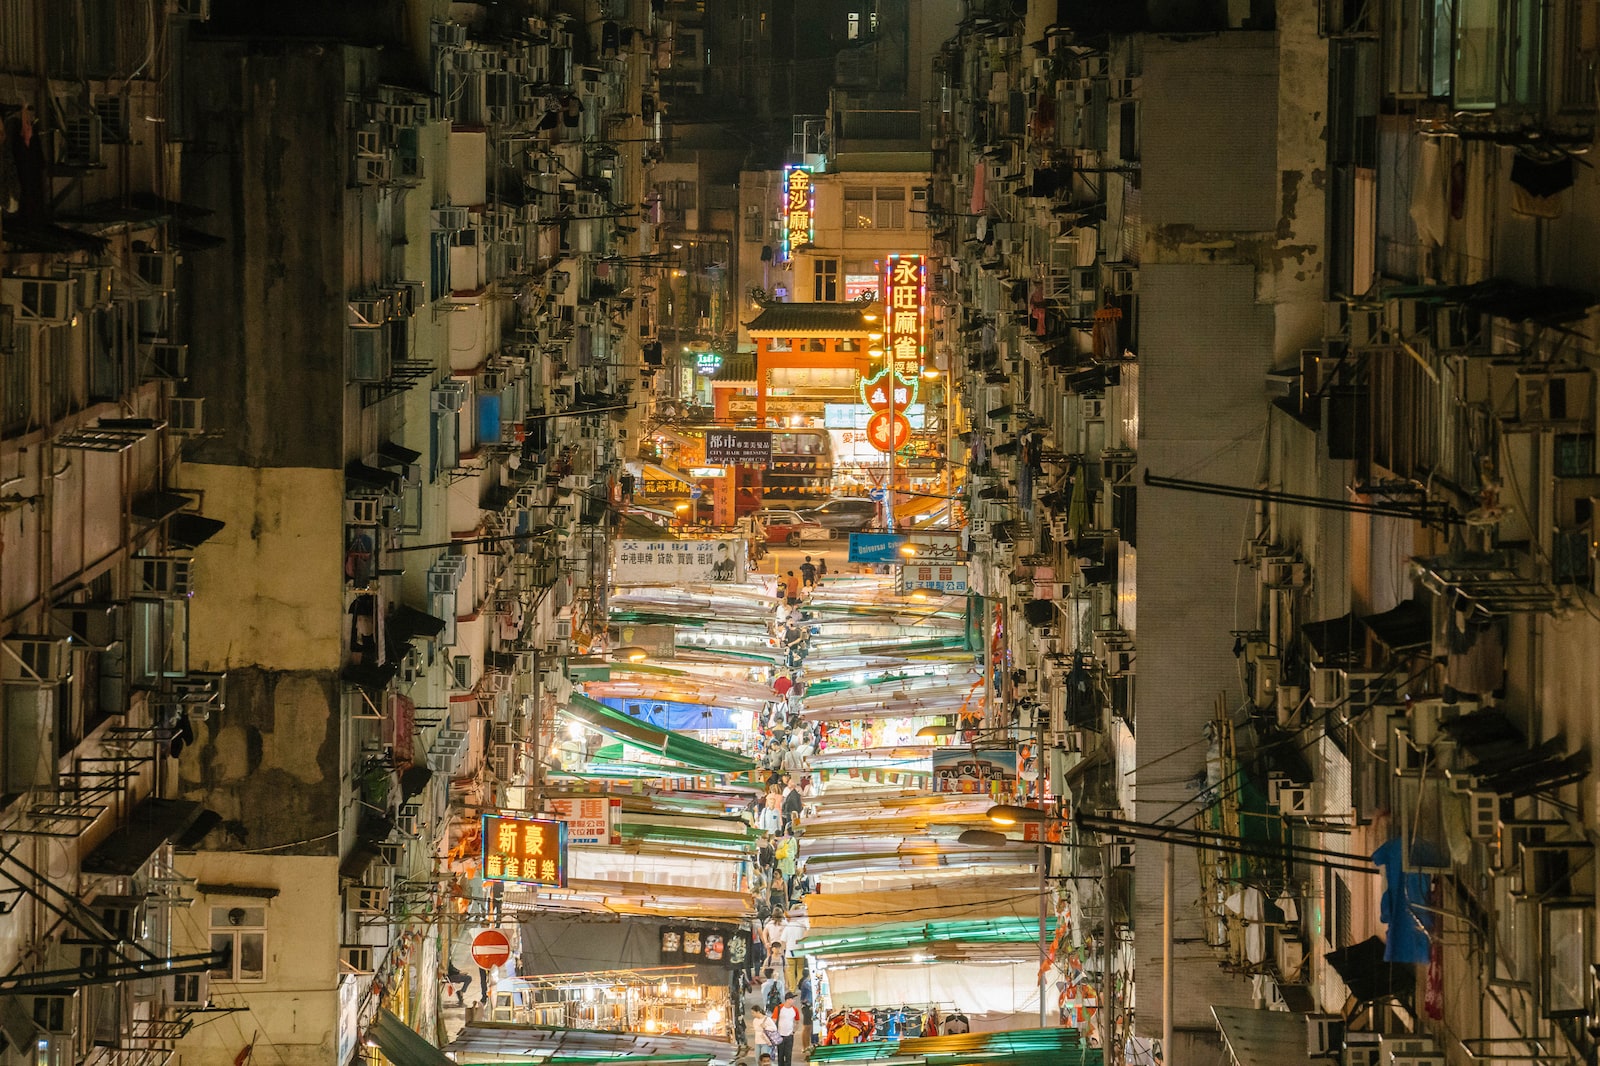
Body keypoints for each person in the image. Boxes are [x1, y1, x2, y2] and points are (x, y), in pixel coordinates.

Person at [773, 991, 802, 1066]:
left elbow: (797, 1021)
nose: (794, 1001)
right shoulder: (779, 1008)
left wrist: (794, 1031)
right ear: (788, 1000)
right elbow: (774, 1020)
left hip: (789, 1036)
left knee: (788, 1055)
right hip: (780, 1035)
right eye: (792, 999)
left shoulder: (795, 1010)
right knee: (780, 1055)